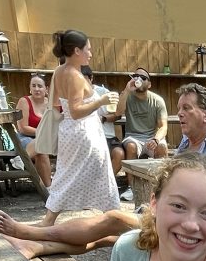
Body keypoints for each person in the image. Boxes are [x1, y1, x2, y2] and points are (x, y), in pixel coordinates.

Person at [0, 83, 206, 258]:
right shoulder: (185, 143)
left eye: (186, 109)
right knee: (108, 237)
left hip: (184, 226)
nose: (179, 114)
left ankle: (31, 232)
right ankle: (36, 246)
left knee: (113, 217)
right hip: (163, 215)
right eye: (178, 108)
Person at [42, 29, 120, 226]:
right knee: (102, 174)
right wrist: (101, 100)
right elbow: (76, 112)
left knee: (65, 175)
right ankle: (115, 217)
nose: (91, 54)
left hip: (69, 131)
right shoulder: (75, 76)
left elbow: (54, 104)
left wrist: (66, 114)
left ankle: (49, 219)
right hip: (84, 132)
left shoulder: (59, 71)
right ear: (77, 51)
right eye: (88, 49)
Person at [114, 67, 169, 198]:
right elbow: (117, 112)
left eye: (143, 78)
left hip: (151, 136)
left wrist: (156, 139)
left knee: (161, 146)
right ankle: (132, 188)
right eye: (135, 76)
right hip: (133, 136)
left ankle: (163, 186)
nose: (138, 79)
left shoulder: (157, 100)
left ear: (149, 84)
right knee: (131, 146)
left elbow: (163, 126)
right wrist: (127, 90)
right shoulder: (127, 96)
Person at [81, 64, 125, 170]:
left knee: (119, 154)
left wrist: (103, 119)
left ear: (91, 78)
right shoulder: (75, 95)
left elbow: (117, 115)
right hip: (86, 137)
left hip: (107, 136)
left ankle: (109, 184)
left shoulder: (103, 92)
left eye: (84, 79)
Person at [15, 74, 52, 187]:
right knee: (42, 150)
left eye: (40, 86)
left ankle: (20, 160)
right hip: (25, 137)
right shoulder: (24, 101)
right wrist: (43, 133)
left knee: (42, 149)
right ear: (30, 88)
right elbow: (22, 128)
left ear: (46, 89)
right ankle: (49, 188)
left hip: (46, 139)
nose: (36, 89)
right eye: (34, 86)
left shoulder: (51, 103)